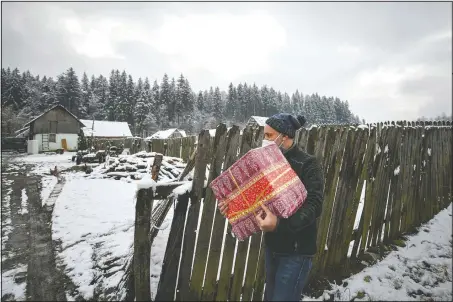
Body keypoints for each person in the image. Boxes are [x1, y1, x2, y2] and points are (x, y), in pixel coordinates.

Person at [219, 113, 325, 301]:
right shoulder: (266, 162)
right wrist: (232, 205)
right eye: (264, 135)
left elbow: (314, 206)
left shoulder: (307, 163)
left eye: (269, 135)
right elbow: (256, 199)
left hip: (296, 252)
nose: (264, 140)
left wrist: (279, 225)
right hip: (273, 247)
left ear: (284, 136)